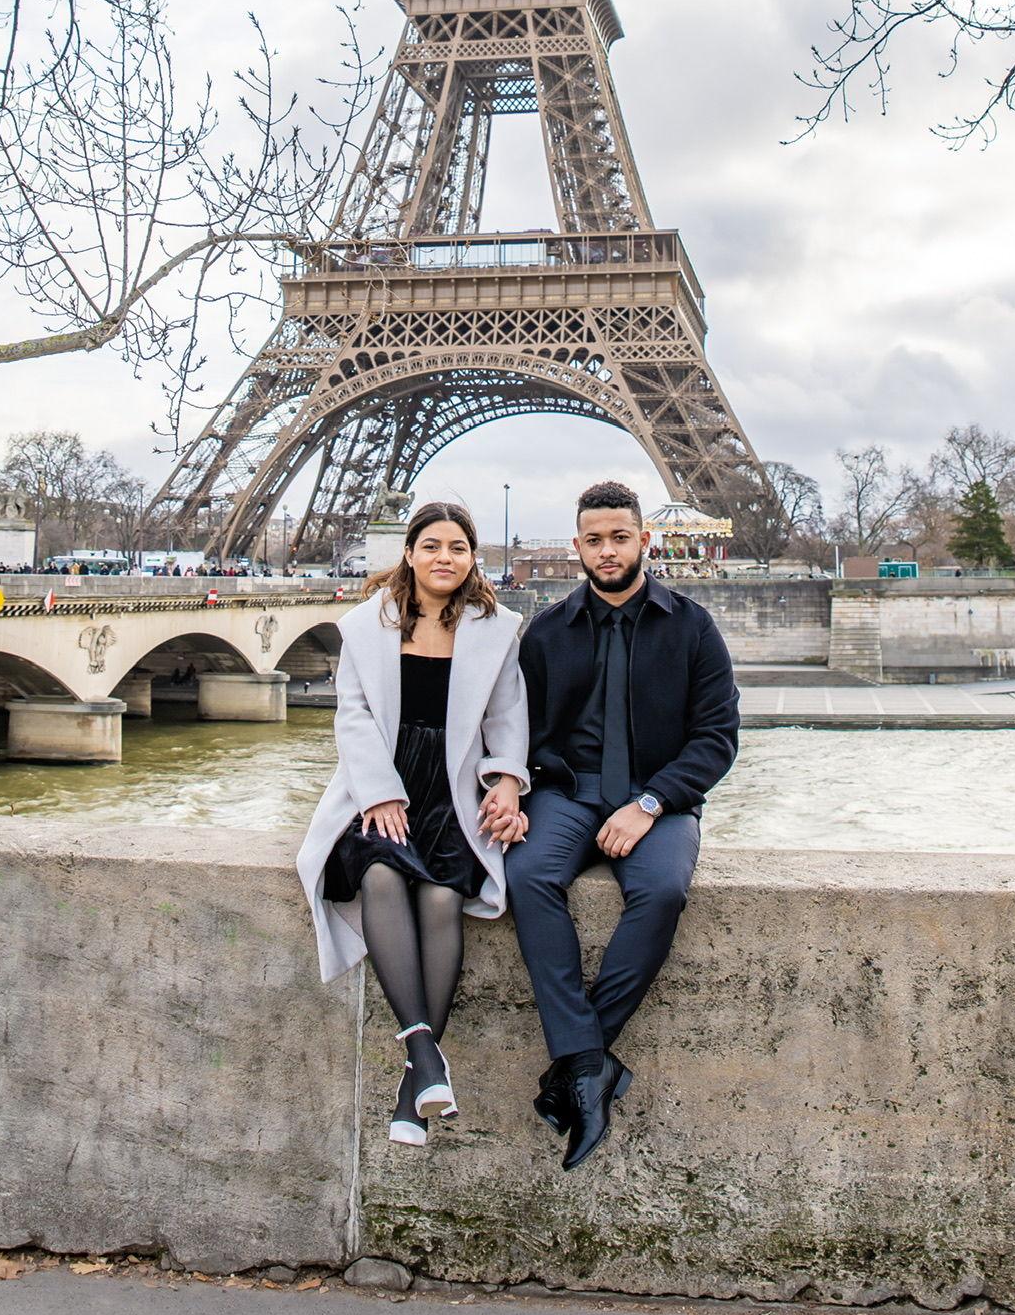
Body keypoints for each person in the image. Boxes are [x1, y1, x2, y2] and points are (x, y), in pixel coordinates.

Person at [504, 480, 738, 1170]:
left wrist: (653, 803)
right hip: (570, 793)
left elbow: (717, 737)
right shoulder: (545, 632)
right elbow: (517, 729)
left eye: (620, 537)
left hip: (657, 797)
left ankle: (580, 1061)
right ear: (577, 547)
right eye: (594, 540)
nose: (607, 551)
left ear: (644, 540)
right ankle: (590, 1064)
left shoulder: (693, 628)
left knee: (661, 891)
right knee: (527, 876)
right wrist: (511, 784)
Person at [298, 499, 531, 1148]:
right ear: (408, 553)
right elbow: (353, 716)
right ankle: (425, 1056)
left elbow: (508, 718)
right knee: (379, 877)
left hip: (453, 790)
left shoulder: (497, 629)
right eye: (431, 546)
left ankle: (415, 1080)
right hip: (384, 785)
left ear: (473, 558)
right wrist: (378, 794)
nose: (444, 558)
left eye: (457, 548)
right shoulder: (367, 624)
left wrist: (507, 782)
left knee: (440, 897)